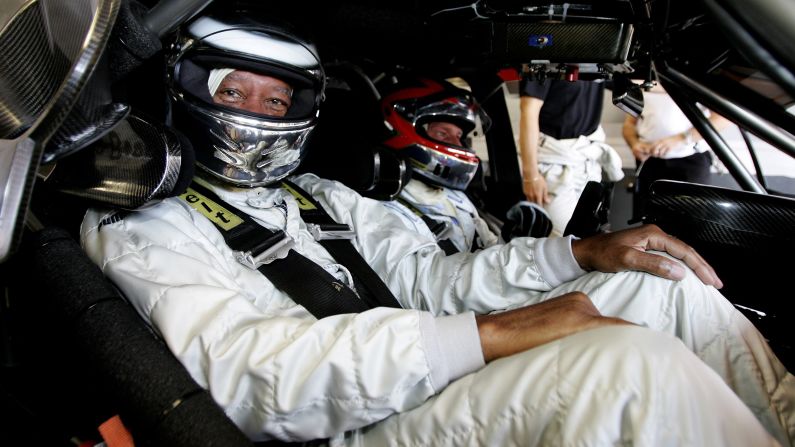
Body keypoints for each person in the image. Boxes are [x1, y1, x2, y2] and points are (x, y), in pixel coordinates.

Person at [79, 12, 794, 446]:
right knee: (634, 367)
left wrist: (583, 251)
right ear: (186, 92)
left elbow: (430, 279)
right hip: (340, 428)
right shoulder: (143, 219)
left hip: (420, 383)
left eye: (277, 97)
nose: (257, 111)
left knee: (665, 289)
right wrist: (486, 336)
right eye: (233, 91)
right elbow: (247, 374)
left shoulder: (317, 193)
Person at [376, 77, 551, 254]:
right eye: (443, 134)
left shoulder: (456, 197)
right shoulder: (393, 211)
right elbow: (442, 278)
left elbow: (486, 248)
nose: (457, 144)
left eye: (459, 135)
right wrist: (514, 259)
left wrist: (513, 241)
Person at [518, 74, 624, 237]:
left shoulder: (600, 59)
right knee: (562, 239)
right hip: (554, 164)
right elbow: (528, 110)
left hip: (587, 162)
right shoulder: (546, 54)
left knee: (589, 237)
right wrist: (530, 175)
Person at [622, 83, 731, 218]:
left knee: (692, 220)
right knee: (651, 220)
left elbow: (723, 118)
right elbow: (629, 124)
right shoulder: (640, 84)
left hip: (691, 161)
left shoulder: (691, 81)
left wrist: (681, 139)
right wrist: (634, 144)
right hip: (649, 162)